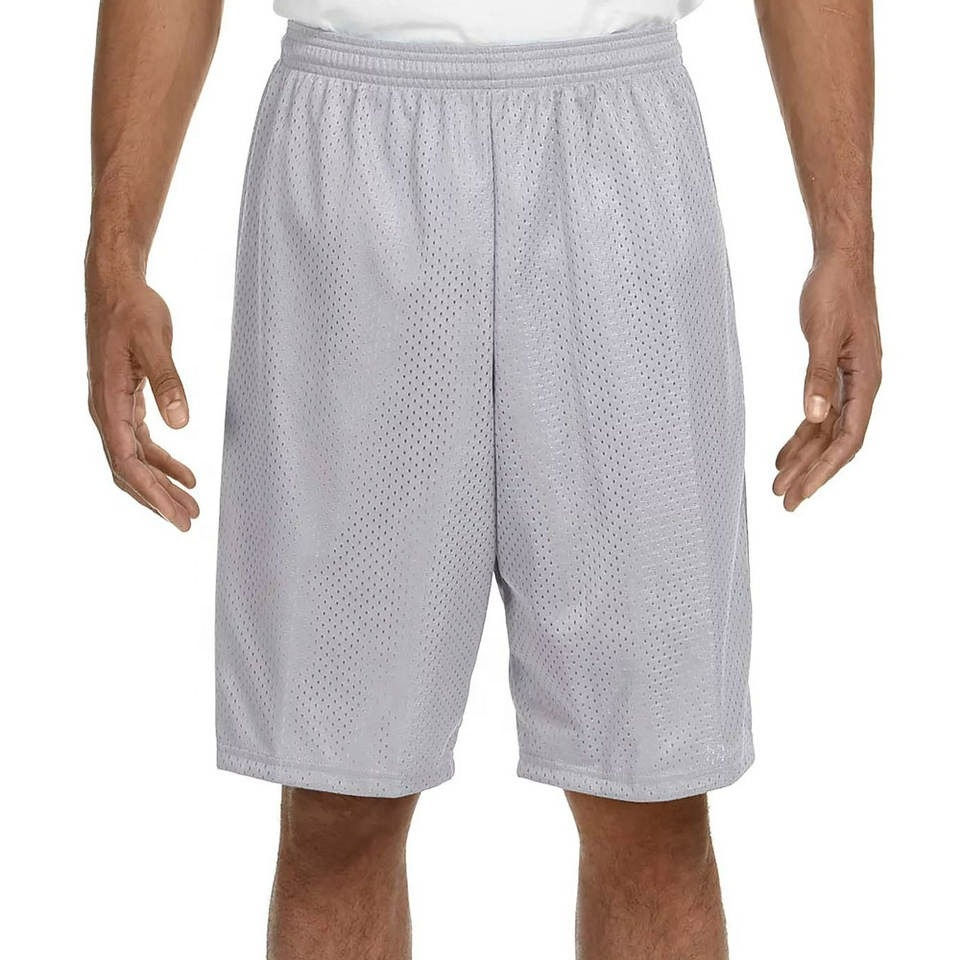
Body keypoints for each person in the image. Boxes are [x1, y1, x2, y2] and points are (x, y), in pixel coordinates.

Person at [84, 0, 882, 956]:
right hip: (350, 160)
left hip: (618, 153)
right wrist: (116, 252)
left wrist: (846, 239)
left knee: (654, 804)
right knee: (337, 806)